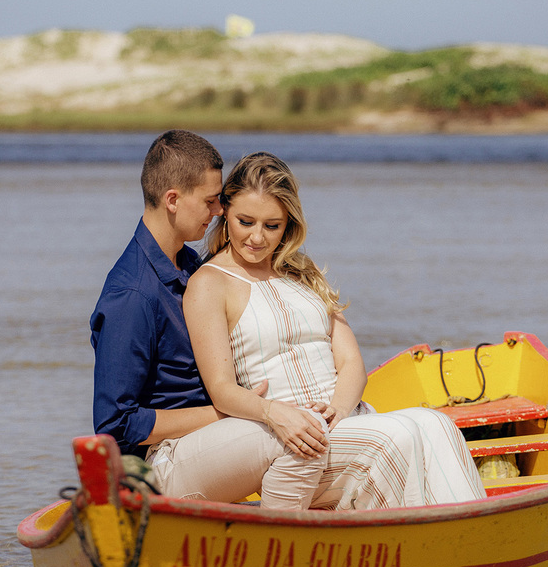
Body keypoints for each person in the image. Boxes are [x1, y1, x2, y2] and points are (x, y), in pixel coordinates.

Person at [183, 151, 488, 510]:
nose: (257, 237)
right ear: (225, 212)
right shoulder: (209, 283)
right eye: (245, 222)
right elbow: (221, 390)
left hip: (346, 418)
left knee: (437, 423)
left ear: (288, 224)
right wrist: (275, 413)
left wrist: (340, 409)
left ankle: (475, 531)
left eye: (272, 226)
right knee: (400, 435)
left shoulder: (302, 272)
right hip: (296, 439)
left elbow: (350, 361)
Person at [90, 130, 323, 505]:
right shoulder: (132, 295)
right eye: (211, 201)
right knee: (282, 434)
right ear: (173, 200)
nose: (218, 212)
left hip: (215, 445)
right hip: (157, 466)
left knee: (302, 429)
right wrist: (226, 413)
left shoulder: (188, 263)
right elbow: (116, 425)